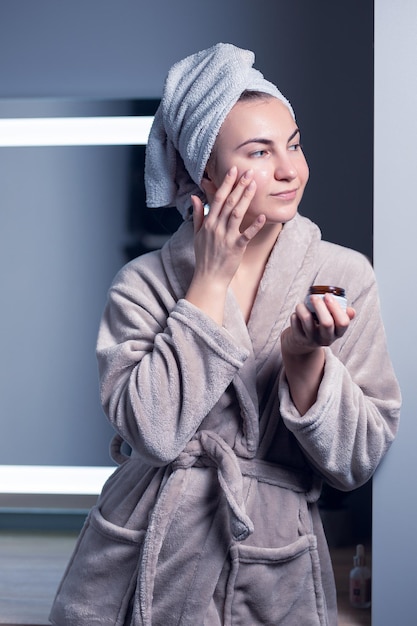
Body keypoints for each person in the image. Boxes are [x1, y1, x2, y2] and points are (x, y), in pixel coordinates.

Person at [50, 43, 401, 626]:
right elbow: (154, 433)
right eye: (258, 152)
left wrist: (304, 360)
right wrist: (208, 284)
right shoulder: (142, 285)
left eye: (293, 143)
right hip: (146, 548)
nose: (290, 169)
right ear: (202, 172)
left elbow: (356, 460)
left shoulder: (343, 276)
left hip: (269, 556)